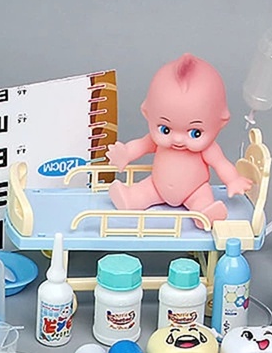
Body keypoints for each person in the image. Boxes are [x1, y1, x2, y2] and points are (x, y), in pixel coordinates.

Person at [107, 54, 253, 229]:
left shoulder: (208, 149)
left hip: (195, 190)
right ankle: (130, 199)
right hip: (157, 185)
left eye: (195, 133)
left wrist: (233, 180)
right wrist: (125, 154)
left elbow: (221, 164)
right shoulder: (156, 142)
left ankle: (204, 214)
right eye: (165, 129)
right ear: (147, 112)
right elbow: (139, 145)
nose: (177, 139)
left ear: (221, 122)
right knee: (143, 192)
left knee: (201, 200)